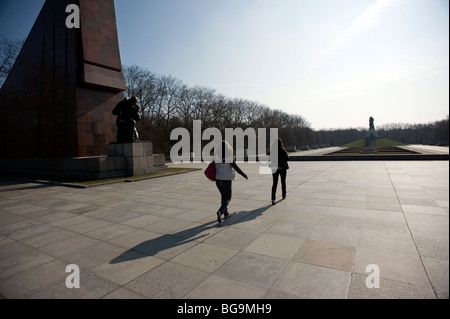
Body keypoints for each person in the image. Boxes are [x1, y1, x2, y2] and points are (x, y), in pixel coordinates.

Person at [214, 140, 248, 223]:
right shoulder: (229, 157)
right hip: (226, 179)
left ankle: (225, 213)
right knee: (228, 197)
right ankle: (221, 211)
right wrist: (244, 175)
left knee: (223, 196)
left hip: (218, 179)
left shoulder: (216, 156)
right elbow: (236, 167)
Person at [270, 138, 290, 205]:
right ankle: (283, 195)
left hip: (275, 168)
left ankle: (273, 198)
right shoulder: (283, 150)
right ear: (281, 143)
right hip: (282, 168)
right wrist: (283, 159)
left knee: (274, 183)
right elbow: (288, 158)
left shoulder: (272, 151)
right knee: (283, 182)